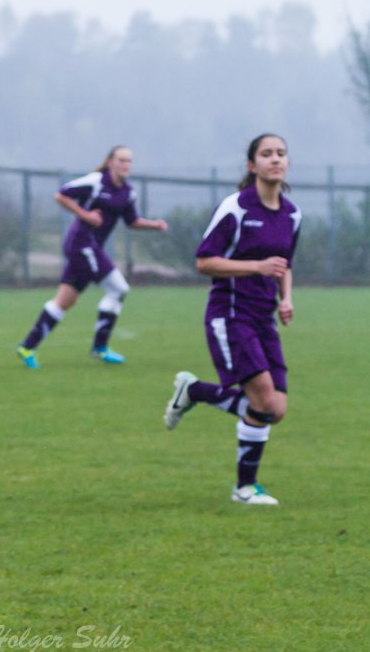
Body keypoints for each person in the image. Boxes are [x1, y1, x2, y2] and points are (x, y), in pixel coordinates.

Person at [163, 133, 300, 506]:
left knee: (277, 410)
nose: (275, 159)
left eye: (281, 154)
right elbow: (204, 262)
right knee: (264, 404)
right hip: (230, 315)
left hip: (264, 318)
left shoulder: (291, 214)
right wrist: (255, 266)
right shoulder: (236, 208)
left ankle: (194, 391)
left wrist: (285, 298)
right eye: (267, 154)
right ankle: (244, 489)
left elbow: (284, 265)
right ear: (252, 165)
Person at [16, 145, 168, 368]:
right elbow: (61, 195)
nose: (126, 165)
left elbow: (131, 221)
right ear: (110, 162)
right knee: (119, 288)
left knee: (65, 300)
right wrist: (85, 214)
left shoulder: (127, 191)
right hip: (81, 245)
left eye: (129, 161)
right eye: (121, 160)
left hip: (91, 248)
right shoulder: (96, 181)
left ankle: (27, 347)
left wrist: (153, 225)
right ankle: (100, 348)